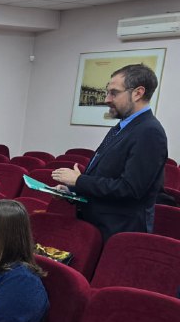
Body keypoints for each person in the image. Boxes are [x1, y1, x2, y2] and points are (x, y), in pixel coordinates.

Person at [52, 64, 168, 241]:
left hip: (118, 232)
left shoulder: (149, 131)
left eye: (114, 93)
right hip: (98, 226)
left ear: (138, 93)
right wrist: (73, 189)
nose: (106, 99)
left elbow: (129, 189)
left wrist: (80, 180)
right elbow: (108, 176)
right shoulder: (123, 126)